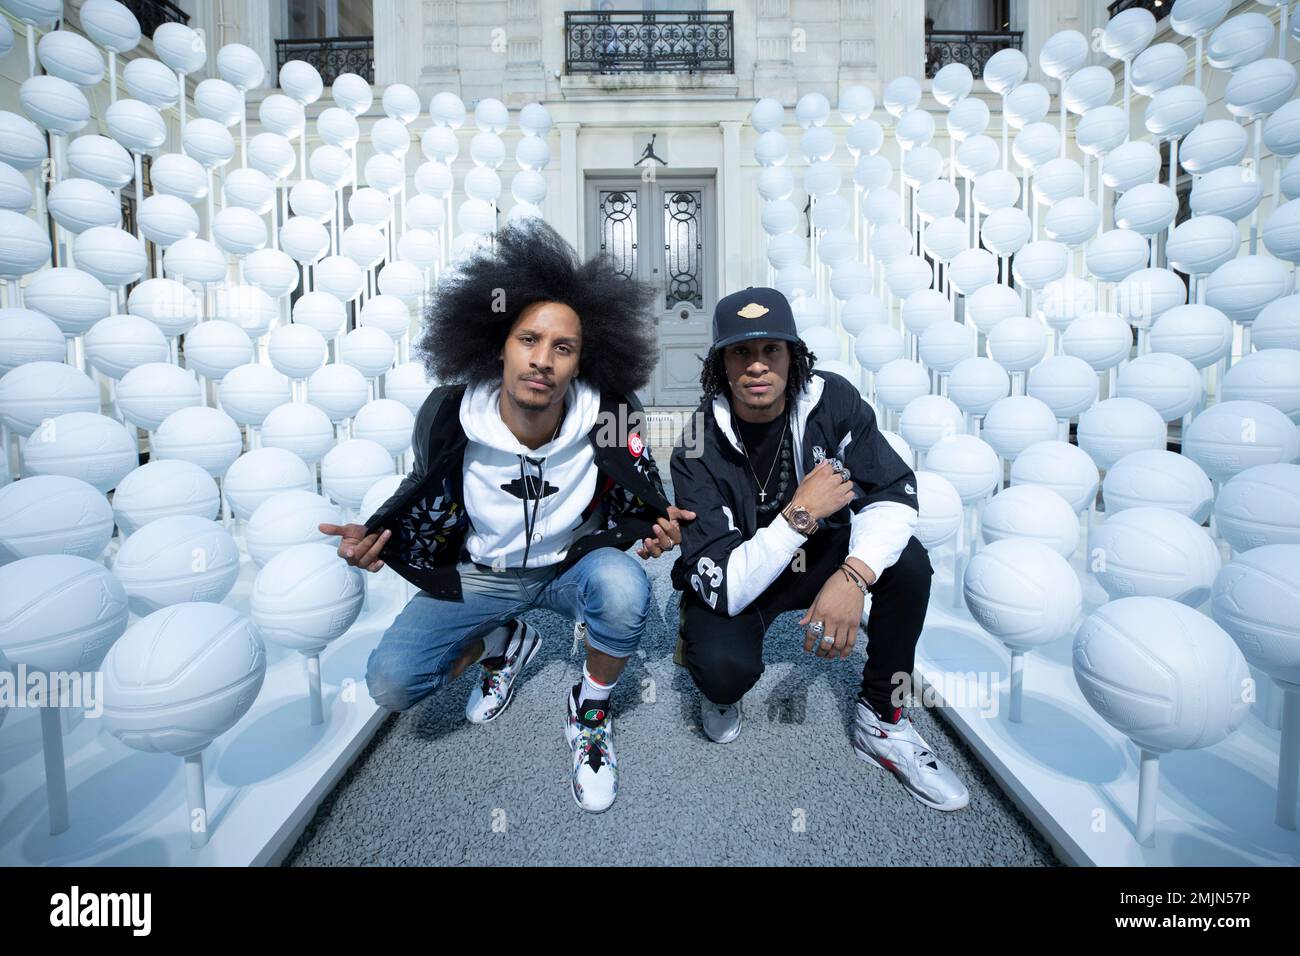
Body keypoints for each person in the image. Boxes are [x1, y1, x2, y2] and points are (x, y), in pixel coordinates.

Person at [321, 220, 693, 813]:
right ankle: (503, 640)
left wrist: (657, 529)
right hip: (483, 574)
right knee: (391, 683)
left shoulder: (610, 417)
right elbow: (422, 488)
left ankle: (590, 710)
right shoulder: (450, 415)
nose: (542, 360)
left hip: (570, 567)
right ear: (500, 345)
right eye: (529, 340)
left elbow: (639, 491)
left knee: (625, 590)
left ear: (581, 363)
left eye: (562, 348)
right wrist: (377, 536)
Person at [669, 286, 969, 811]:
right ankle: (699, 649)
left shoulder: (833, 400)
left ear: (793, 356)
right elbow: (730, 582)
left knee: (909, 562)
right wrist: (800, 512)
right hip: (744, 575)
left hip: (824, 558)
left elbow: (895, 494)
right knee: (722, 673)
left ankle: (882, 718)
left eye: (772, 351)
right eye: (741, 352)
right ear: (720, 364)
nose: (757, 366)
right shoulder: (697, 444)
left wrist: (853, 576)